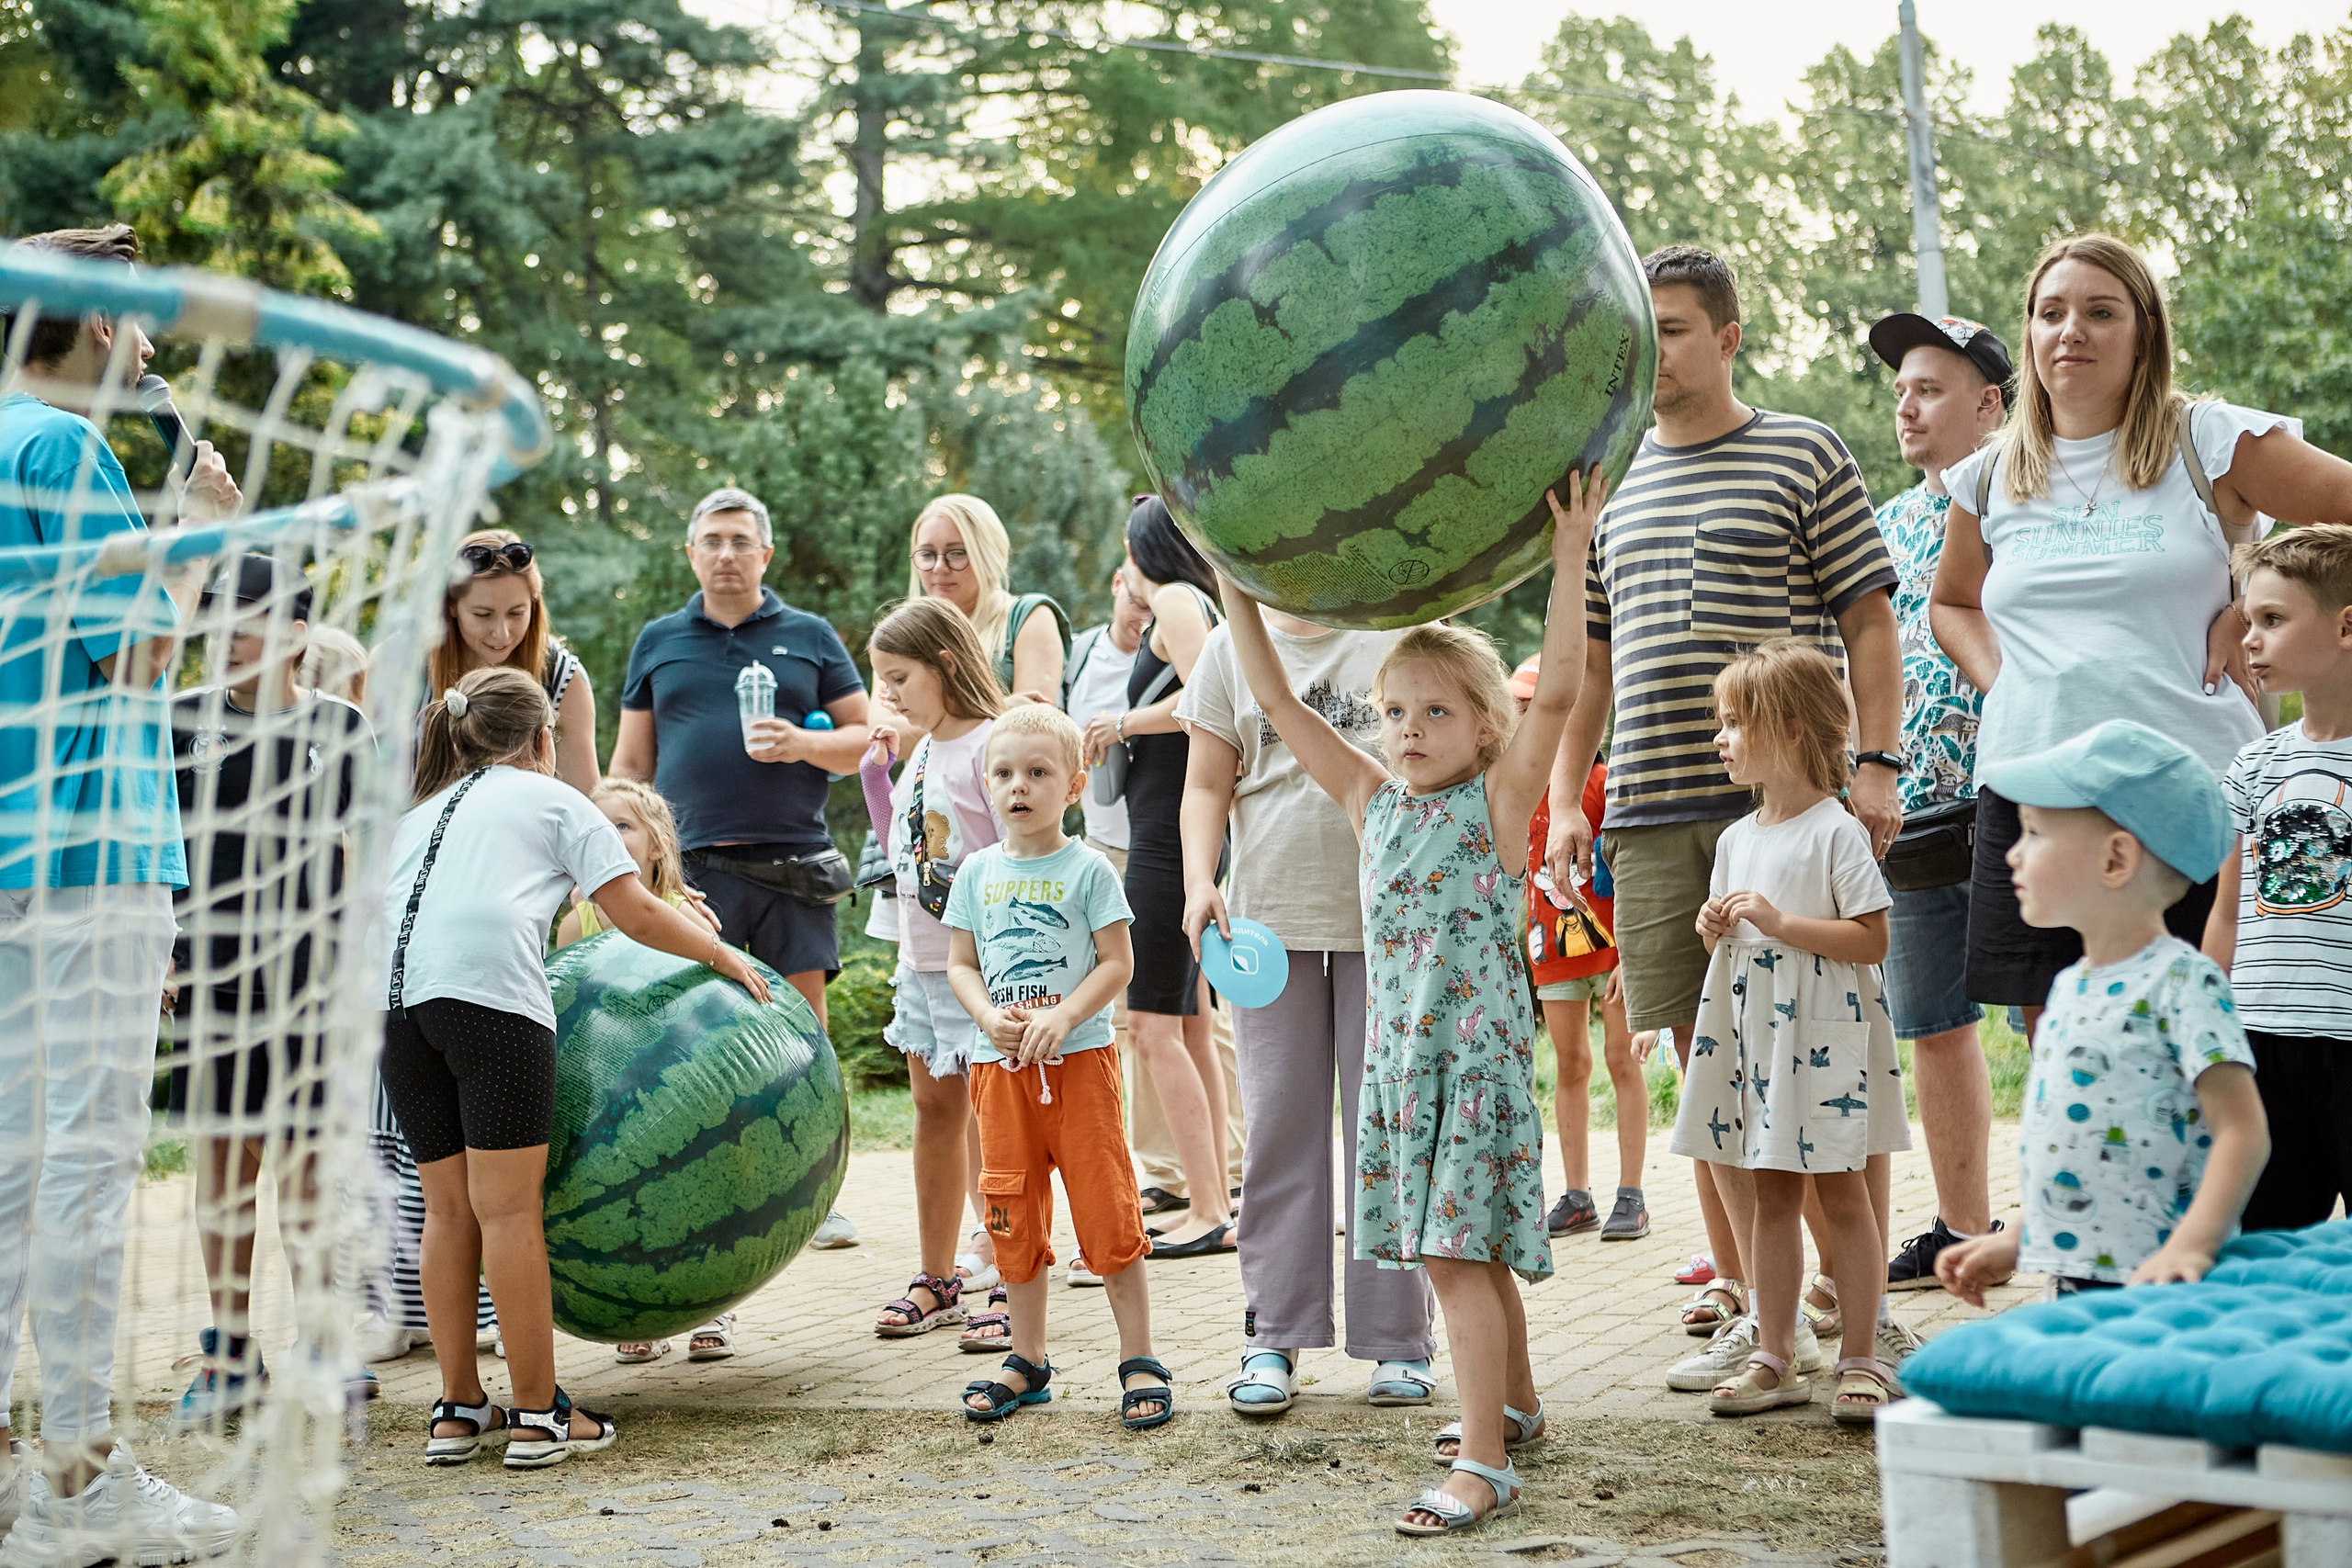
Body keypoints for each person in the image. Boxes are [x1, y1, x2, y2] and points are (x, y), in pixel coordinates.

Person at [1222, 476, 1602, 1535]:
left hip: (1472, 1070)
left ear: (1487, 728)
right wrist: (1231, 583)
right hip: (1401, 1070)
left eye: (1436, 711)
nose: (1408, 728)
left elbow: (1563, 688)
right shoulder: (1367, 800)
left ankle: (1483, 1458)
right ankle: (1514, 1407)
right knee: (1462, 1250)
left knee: (1453, 1257)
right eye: (1395, 712)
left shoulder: (1494, 798)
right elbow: (1279, 702)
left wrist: (1572, 551)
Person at [1548, 244, 1904, 1344]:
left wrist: (1878, 764)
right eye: (1636, 332)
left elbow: (1871, 622)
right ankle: (1761, 1311)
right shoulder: (1606, 482)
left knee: (1828, 1071)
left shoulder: (1803, 452)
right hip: (1653, 814)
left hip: (1796, 812)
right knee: (1708, 1081)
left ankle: (1861, 1309)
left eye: (1672, 327)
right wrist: (1567, 794)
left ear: (1728, 335)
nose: (1651, 353)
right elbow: (1590, 670)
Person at [1931, 232, 2352, 1039]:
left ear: (2146, 329)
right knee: (2067, 1050)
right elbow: (1954, 602)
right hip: (2037, 795)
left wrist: (2249, 608)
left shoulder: (2211, 441)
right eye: (2050, 313)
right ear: (2028, 334)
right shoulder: (1989, 473)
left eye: (2100, 311)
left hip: (2193, 794)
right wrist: (2013, 683)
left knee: (2209, 1047)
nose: (2071, 332)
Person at [0, 222, 245, 1562]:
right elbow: (138, 654)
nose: (149, 346)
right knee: (88, 1164)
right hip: (92, 850)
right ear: (97, 327)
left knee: (8, 1168)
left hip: (11, 853)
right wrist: (196, 531)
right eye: (140, 323)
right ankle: (82, 1478)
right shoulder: (65, 444)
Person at [379, 666, 772, 1470]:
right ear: (543, 740)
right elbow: (634, 909)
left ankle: (457, 1407)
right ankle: (537, 1414)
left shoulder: (413, 818)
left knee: (449, 1212)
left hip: (396, 1011)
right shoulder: (557, 799)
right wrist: (719, 951)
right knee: (509, 1212)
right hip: (490, 1005)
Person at [1177, 598, 1438, 1415]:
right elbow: (1204, 783)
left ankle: (1399, 1342)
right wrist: (1197, 880)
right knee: (1279, 1128)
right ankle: (1273, 1333)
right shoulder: (1227, 645)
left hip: (1388, 924)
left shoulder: (1399, 631)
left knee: (1385, 1128)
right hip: (1265, 930)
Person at [1663, 642, 1908, 1424]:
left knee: (1841, 1193)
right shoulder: (1736, 839)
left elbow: (1872, 939)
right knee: (1770, 1193)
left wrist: (1778, 922)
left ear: (1792, 729)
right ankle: (1775, 1352)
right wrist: (1715, 928)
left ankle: (1863, 1356)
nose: (1721, 737)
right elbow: (1732, 943)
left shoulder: (1834, 831)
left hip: (1824, 1039)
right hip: (1759, 1045)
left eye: (1736, 723)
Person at [1941, 721, 2269, 1303]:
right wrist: (2019, 1236)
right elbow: (2070, 1142)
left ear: (2116, 859)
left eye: (2035, 833)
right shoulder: (2068, 990)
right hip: (2074, 1282)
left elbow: (2243, 1131)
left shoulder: (2183, 985)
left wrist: (2192, 1245)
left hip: (2164, 1286)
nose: (2012, 854)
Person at [164, 557, 375, 1429]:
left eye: (243, 620)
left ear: (293, 634)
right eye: (213, 621)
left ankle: (325, 1345)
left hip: (311, 983)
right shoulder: (176, 722)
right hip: (211, 977)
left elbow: (370, 862)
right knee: (222, 1171)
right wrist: (165, 954)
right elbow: (156, 850)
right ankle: (228, 1355)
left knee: (309, 1172)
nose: (225, 637)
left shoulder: (342, 726)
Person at [942, 704, 1171, 1429]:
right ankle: (1028, 1358)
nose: (1020, 786)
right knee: (1011, 1215)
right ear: (987, 784)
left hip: (1079, 1068)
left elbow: (1118, 963)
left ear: (1073, 786)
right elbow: (960, 964)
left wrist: (1064, 1014)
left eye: (1038, 773)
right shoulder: (975, 872)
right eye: (1005, 773)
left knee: (1107, 1211)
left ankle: (1140, 1357)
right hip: (999, 1073)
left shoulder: (1090, 868)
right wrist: (986, 1018)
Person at [1862, 310, 2011, 1292]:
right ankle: (1963, 1228)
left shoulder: (2028, 497)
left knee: (2052, 1005)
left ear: (1989, 404)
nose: (1907, 406)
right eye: (1902, 389)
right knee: (1931, 1023)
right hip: (1912, 809)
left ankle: (2086, 1224)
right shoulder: (1884, 522)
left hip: (2019, 792)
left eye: (1930, 389)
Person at [611, 487, 871, 1029]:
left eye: (740, 542)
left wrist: (802, 743)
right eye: (712, 542)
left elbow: (870, 743)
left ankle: (820, 1117)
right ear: (691, 553)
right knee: (695, 1025)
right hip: (692, 870)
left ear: (765, 555)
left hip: (795, 863)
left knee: (803, 1027)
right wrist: (619, 855)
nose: (725, 554)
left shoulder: (811, 634)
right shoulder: (657, 640)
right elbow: (631, 767)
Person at [854, 599, 1005, 1343]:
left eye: (898, 676)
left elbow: (1020, 847)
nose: (889, 693)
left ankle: (1014, 1270)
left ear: (945, 663)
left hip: (982, 970)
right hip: (921, 965)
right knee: (934, 1115)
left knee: (1001, 1124)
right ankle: (938, 1272)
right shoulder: (921, 750)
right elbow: (904, 856)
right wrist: (878, 782)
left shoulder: (989, 744)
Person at [1086, 498, 1233, 1256]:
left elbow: (1209, 696)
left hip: (1166, 845)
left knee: (1148, 1026)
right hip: (1169, 835)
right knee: (1191, 1027)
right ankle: (1211, 1199)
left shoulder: (1178, 599)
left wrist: (1123, 723)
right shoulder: (1187, 599)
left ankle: (1208, 1208)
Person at [550, 778, 740, 1364]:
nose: (610, 838)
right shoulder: (578, 921)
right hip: (609, 1087)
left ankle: (715, 1307)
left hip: (681, 1078)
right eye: (599, 830)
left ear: (658, 844)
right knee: (631, 1199)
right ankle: (645, 1307)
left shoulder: (687, 916)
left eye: (623, 828)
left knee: (700, 1186)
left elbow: (710, 1010)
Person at [2204, 525, 2352, 1230]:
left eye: (2272, 619)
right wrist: (2204, 1017)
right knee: (2267, 1240)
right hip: (2263, 1039)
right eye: (2247, 620)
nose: (2250, 638)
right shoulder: (2254, 764)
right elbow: (2229, 913)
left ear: (2346, 625)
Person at [1512, 657, 1645, 1243]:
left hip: (1613, 950)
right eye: (1516, 709)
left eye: (1528, 707)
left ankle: (1632, 1194)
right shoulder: (1511, 789)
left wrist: (1630, 957)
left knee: (1622, 1059)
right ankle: (1576, 1194)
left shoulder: (1603, 783)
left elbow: (1633, 873)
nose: (1520, 718)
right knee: (1570, 1065)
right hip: (1553, 948)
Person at [429, 528, 596, 795]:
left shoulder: (562, 676)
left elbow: (584, 801)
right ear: (451, 606)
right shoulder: (402, 669)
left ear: (534, 604)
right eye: (483, 615)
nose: (502, 633)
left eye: (516, 613)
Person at [905, 493, 1068, 704]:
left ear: (992, 556)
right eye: (927, 554)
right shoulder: (904, 632)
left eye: (957, 553)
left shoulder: (1028, 616)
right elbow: (883, 728)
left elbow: (1031, 725)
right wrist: (1000, 709)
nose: (939, 567)